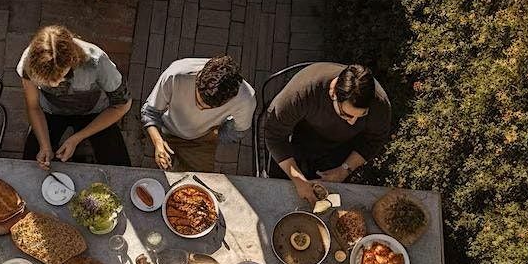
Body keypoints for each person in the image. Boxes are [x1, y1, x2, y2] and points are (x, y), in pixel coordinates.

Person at [263, 63, 392, 204]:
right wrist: (297, 178)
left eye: (361, 115)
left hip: (342, 147)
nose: (352, 122)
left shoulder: (379, 104)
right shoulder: (303, 92)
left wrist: (345, 169)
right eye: (346, 114)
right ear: (332, 93)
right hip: (301, 137)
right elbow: (274, 136)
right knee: (277, 194)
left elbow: (374, 140)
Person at [17, 25, 132, 168]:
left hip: (93, 112)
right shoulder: (28, 65)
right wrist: (45, 145)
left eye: (59, 77)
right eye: (45, 81)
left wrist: (77, 138)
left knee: (119, 167)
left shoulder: (97, 62)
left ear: (72, 60)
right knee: (30, 165)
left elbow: (122, 105)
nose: (53, 85)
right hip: (51, 111)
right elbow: (34, 107)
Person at [141, 55, 257, 172]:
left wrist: (213, 136)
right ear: (198, 79)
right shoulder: (175, 75)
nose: (201, 109)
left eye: (210, 108)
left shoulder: (246, 99)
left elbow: (237, 133)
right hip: (165, 132)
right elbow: (150, 112)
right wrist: (158, 142)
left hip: (202, 142)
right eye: (199, 101)